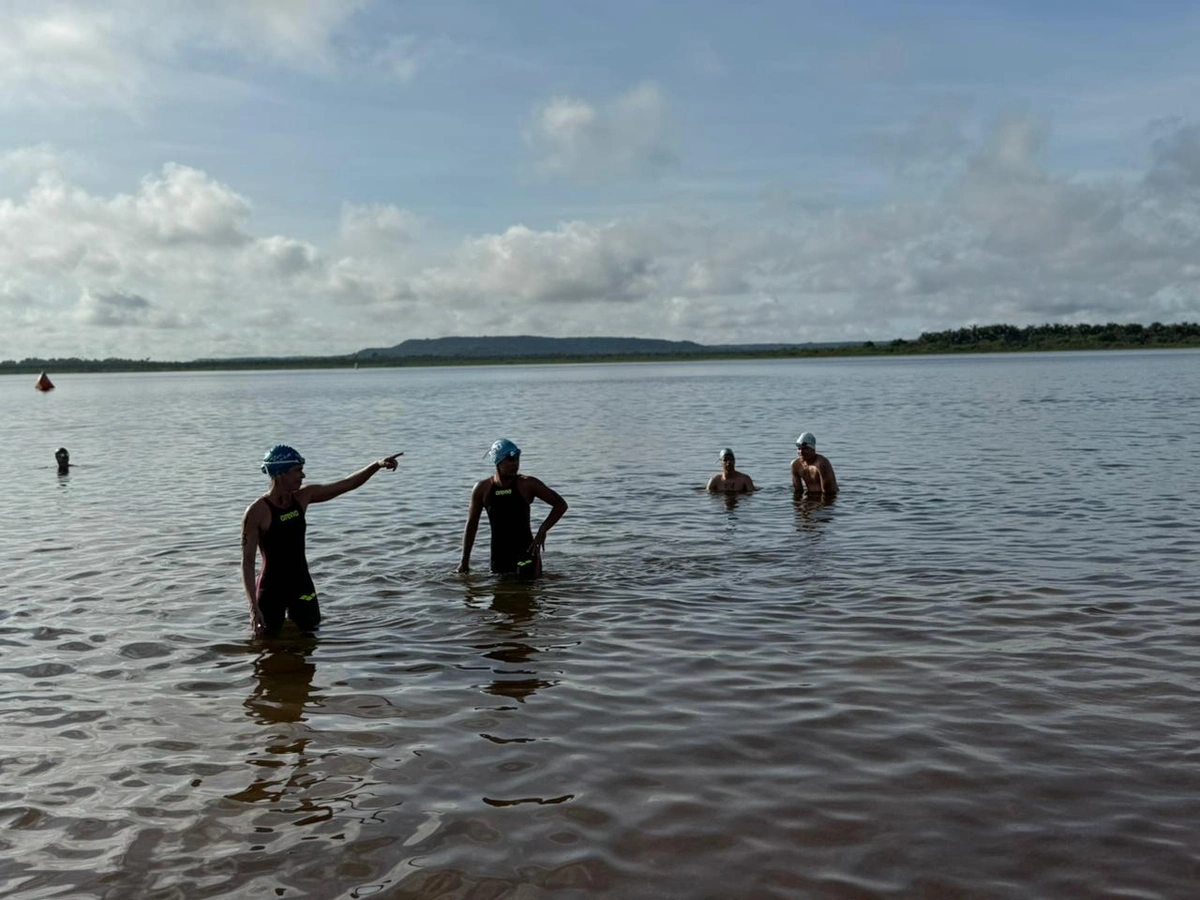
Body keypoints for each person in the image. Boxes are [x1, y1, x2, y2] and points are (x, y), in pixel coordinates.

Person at [241, 444, 400, 637]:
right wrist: (253, 608)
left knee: (311, 640)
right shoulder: (257, 512)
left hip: (302, 586)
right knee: (266, 642)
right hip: (271, 590)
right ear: (281, 473)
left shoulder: (303, 497)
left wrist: (376, 465)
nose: (303, 476)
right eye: (297, 471)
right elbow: (248, 562)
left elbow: (346, 484)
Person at [458, 439, 568, 577]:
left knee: (528, 593)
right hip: (499, 558)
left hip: (527, 554)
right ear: (498, 461)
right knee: (500, 596)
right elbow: (472, 525)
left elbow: (560, 505)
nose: (515, 463)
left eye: (517, 459)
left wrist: (542, 530)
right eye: (510, 459)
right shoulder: (482, 489)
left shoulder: (527, 484)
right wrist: (464, 561)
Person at [791, 432, 837, 496]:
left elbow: (828, 492)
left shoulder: (821, 463)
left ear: (813, 449)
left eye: (805, 449)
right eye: (799, 449)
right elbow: (797, 491)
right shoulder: (795, 465)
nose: (801, 452)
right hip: (809, 497)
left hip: (825, 498)